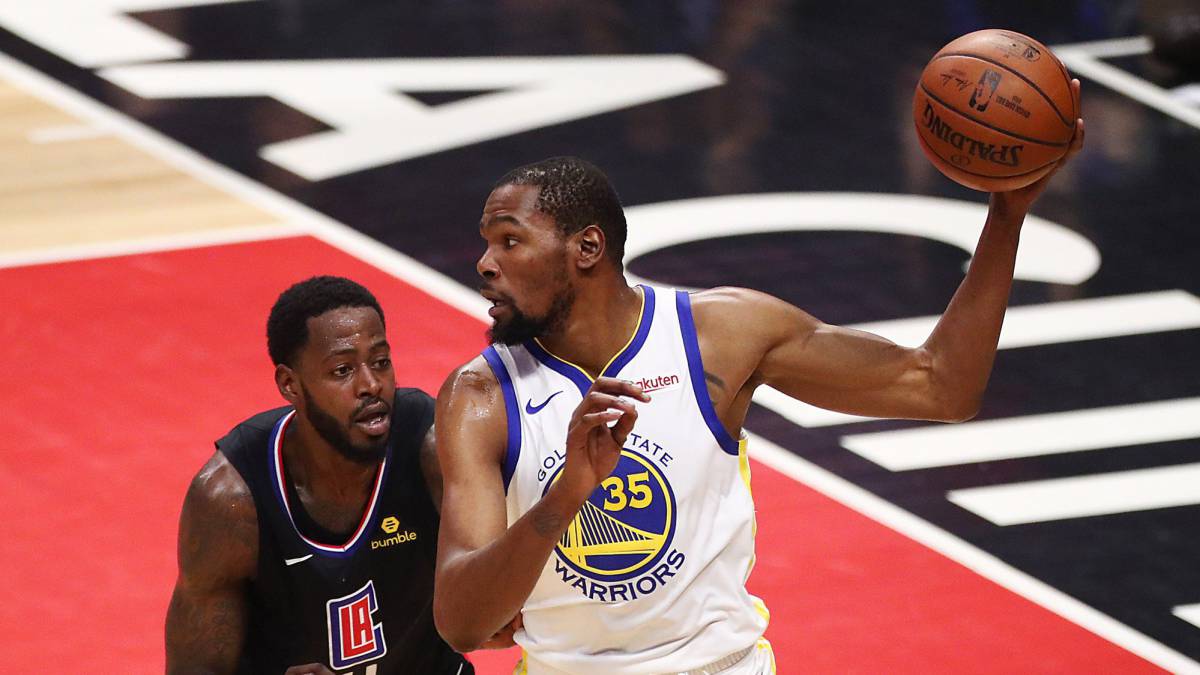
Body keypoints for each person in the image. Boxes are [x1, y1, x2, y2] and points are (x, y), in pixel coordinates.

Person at [432, 85, 1085, 674]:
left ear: (587, 248)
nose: (486, 263)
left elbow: (940, 384)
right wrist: (566, 493)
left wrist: (1006, 216)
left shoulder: (723, 334)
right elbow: (461, 622)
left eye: (510, 241)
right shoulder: (479, 397)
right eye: (486, 243)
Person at [165, 275, 511, 674]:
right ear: (290, 384)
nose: (371, 385)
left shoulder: (432, 448)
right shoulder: (231, 500)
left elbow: (500, 612)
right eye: (343, 370)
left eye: (381, 362)